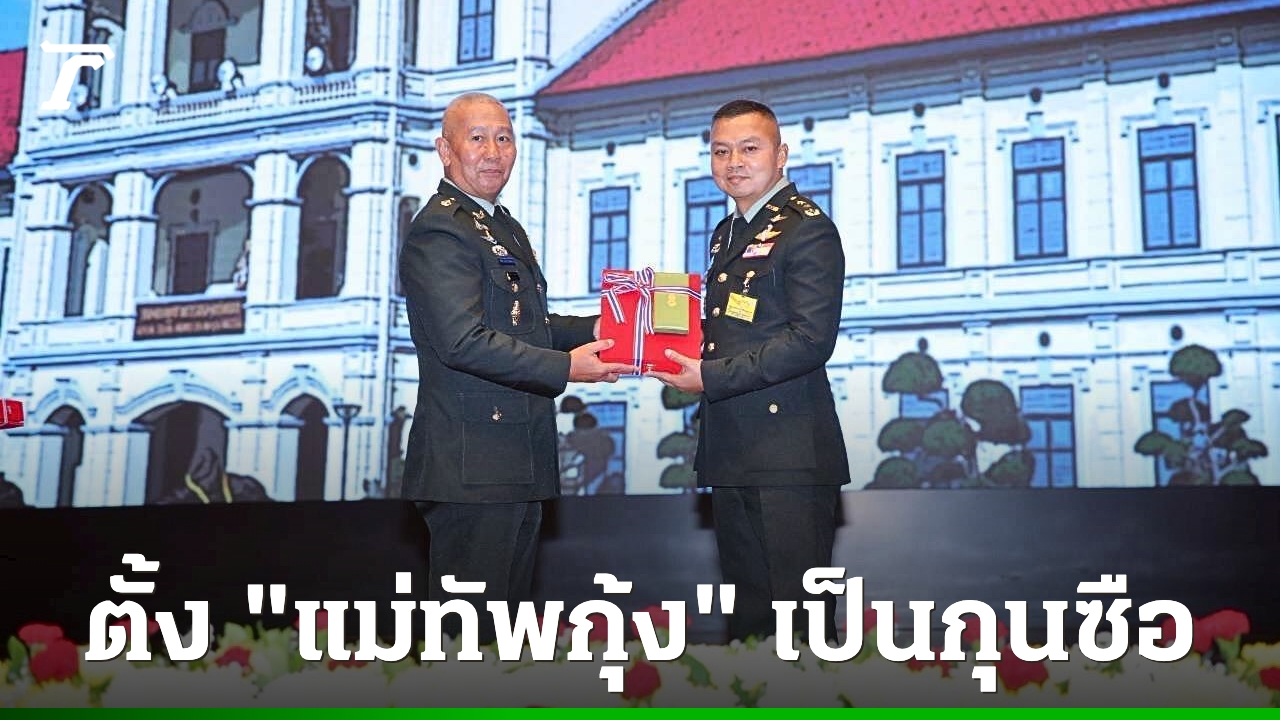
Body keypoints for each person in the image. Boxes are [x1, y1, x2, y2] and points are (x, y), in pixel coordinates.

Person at [399, 92, 635, 642]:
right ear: (445, 150)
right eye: (477, 138)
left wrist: (604, 327)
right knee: (466, 639)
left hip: (513, 460)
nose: (493, 151)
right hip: (472, 463)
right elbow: (462, 341)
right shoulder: (441, 229)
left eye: (503, 138)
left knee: (502, 638)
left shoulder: (499, 224)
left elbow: (525, 325)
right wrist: (565, 367)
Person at [648, 99, 851, 643]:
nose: (733, 162)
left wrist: (710, 378)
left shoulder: (807, 229)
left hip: (788, 454)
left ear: (780, 155)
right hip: (734, 447)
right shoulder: (728, 231)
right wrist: (648, 336)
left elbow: (810, 341)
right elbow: (725, 329)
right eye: (721, 151)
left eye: (749, 148)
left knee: (799, 625)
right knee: (751, 625)